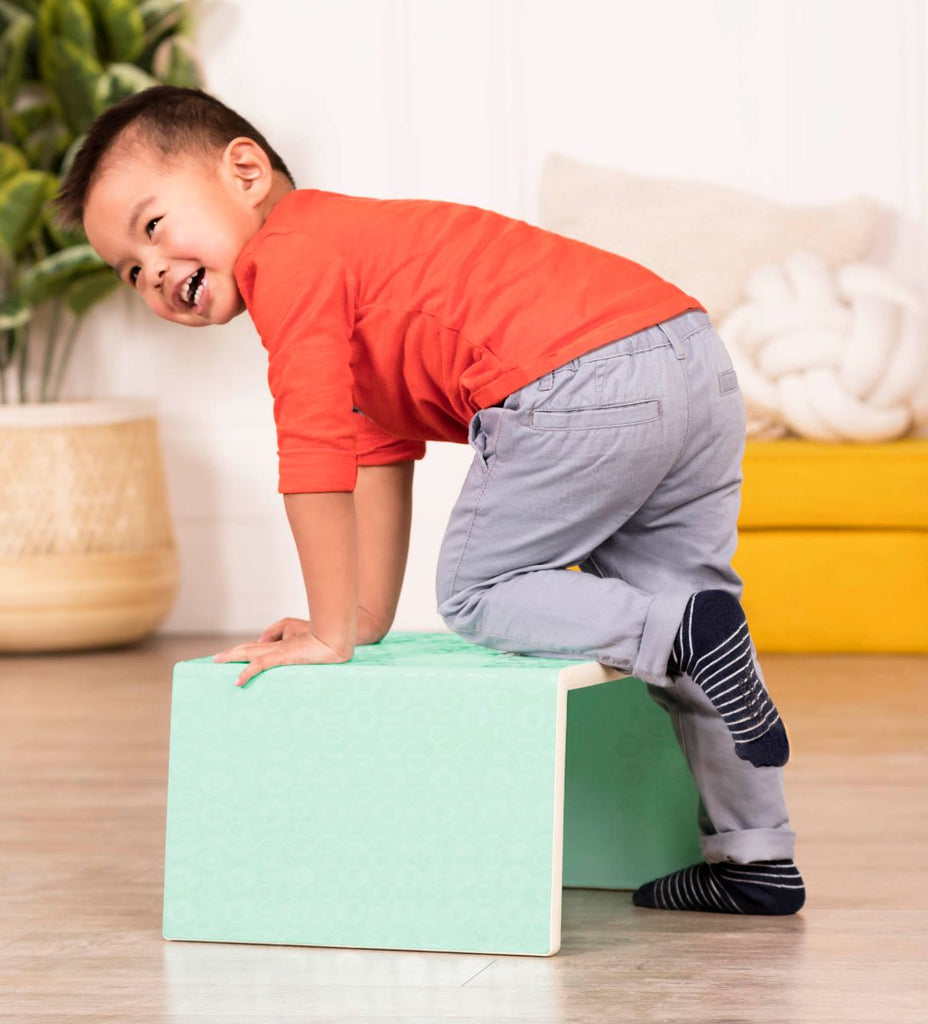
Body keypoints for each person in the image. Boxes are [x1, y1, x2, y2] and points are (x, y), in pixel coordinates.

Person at [53, 84, 805, 916]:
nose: (153, 271)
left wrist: (329, 634)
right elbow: (377, 456)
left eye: (153, 227)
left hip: (578, 378)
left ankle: (687, 636)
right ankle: (754, 856)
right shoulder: (353, 262)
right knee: (685, 602)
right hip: (686, 352)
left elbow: (313, 450)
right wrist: (360, 618)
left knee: (483, 593)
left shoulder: (292, 258)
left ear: (245, 172)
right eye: (128, 270)